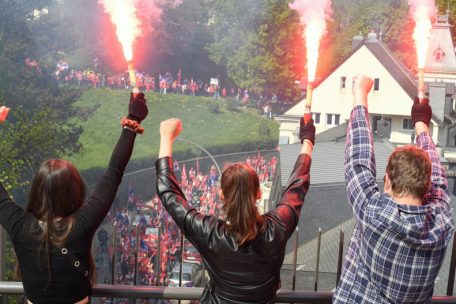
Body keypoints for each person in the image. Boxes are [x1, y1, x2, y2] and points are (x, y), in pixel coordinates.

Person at [0, 93, 148, 303]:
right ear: (75, 191)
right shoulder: (82, 223)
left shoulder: (19, 226)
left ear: (37, 191)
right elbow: (114, 173)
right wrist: (133, 119)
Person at [155, 116, 315, 303]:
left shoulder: (209, 233)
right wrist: (308, 141)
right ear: (258, 193)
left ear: (222, 194)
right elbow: (298, 184)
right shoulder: (277, 227)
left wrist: (166, 137)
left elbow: (169, 193)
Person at [333, 75, 454, 303]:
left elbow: (358, 160)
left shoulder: (374, 214)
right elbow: (438, 182)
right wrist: (421, 124)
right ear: (426, 186)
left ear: (387, 181)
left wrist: (360, 94)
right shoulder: (442, 224)